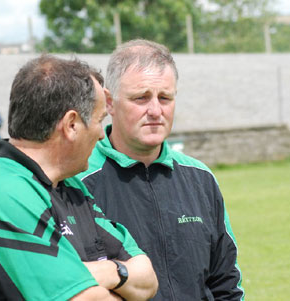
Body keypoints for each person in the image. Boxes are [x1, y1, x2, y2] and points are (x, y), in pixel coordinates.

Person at [0, 54, 158, 300]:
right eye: (99, 120)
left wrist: (106, 271)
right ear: (71, 124)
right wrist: (119, 279)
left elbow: (147, 280)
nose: (101, 135)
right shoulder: (1, 191)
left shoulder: (71, 187)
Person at [76, 39, 245, 300]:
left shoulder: (200, 178)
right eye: (141, 98)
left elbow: (226, 281)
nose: (155, 110)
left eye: (165, 97)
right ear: (109, 102)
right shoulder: (77, 183)